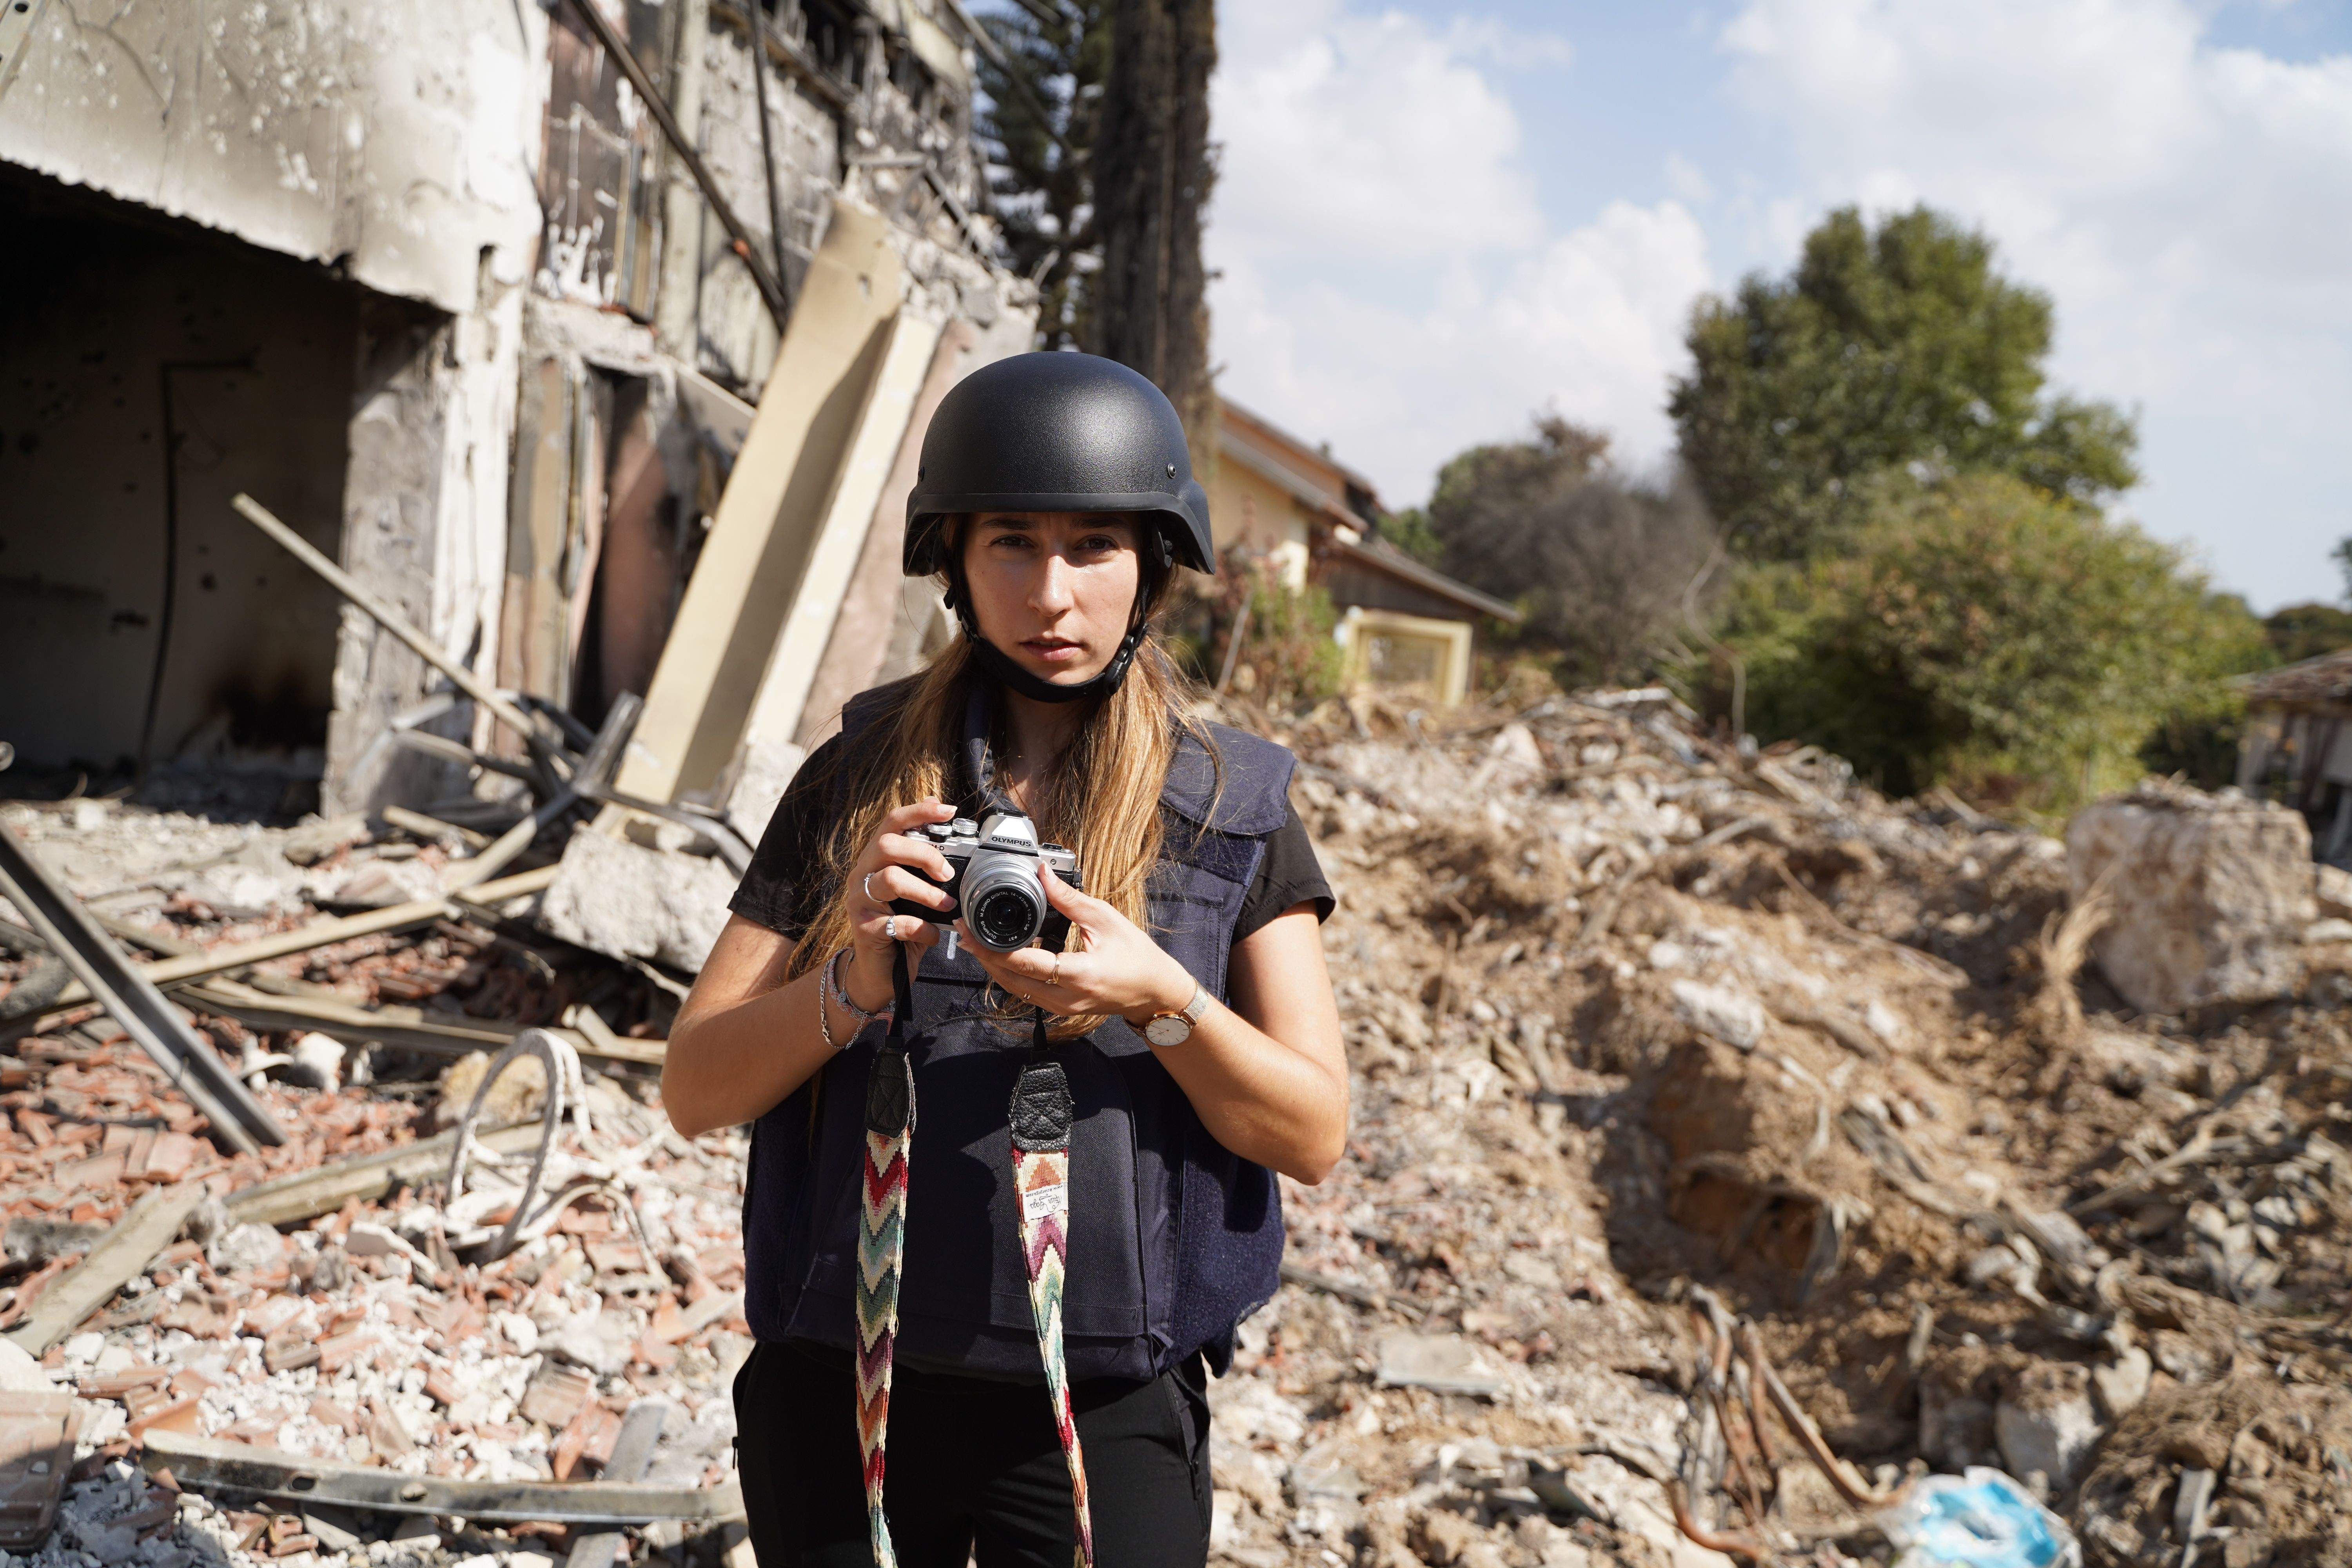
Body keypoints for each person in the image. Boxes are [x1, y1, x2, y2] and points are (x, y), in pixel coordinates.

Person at [662, 352, 1348, 1568]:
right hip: (847, 1375)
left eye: (1094, 547)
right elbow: (695, 1090)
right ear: (954, 564)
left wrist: (1165, 1001)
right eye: (1011, 545)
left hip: (1103, 1402)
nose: (1052, 594)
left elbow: (1311, 1132)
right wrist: (850, 985)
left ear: (1151, 566)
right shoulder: (855, 786)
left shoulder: (1233, 807)